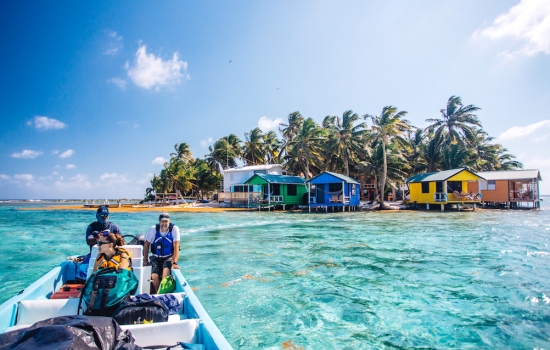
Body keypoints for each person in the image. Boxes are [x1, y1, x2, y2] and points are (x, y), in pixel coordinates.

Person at [144, 213, 180, 294]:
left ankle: (163, 293)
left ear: (169, 221)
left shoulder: (174, 229)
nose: (164, 223)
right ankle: (158, 293)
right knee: (154, 275)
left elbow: (176, 246)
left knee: (165, 274)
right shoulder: (154, 229)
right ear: (159, 222)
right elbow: (146, 244)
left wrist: (175, 262)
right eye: (162, 221)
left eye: (166, 221)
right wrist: (145, 260)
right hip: (155, 257)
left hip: (168, 257)